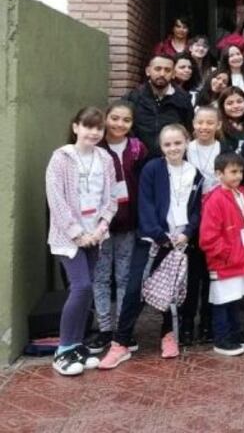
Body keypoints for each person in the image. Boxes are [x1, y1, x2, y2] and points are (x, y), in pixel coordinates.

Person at [98, 124, 204, 369]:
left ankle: (168, 335)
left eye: (178, 143)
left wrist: (187, 233)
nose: (173, 148)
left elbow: (197, 210)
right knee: (136, 289)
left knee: (172, 291)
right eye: (167, 144)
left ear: (186, 142)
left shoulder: (194, 173)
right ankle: (120, 343)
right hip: (153, 240)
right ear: (161, 146)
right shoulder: (152, 169)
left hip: (180, 243)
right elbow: (145, 204)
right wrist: (160, 234)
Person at [45, 107, 117, 376]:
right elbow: (57, 201)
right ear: (76, 127)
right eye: (88, 126)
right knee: (81, 286)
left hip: (95, 235)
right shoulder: (61, 158)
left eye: (99, 128)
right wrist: (78, 233)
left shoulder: (105, 159)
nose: (94, 132)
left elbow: (111, 199)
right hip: (69, 237)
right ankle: (62, 350)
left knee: (88, 289)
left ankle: (77, 344)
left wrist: (100, 229)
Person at [85, 102, 150, 354]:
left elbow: (144, 185)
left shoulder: (137, 148)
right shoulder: (96, 147)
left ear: (132, 124)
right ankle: (104, 329)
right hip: (100, 225)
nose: (119, 124)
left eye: (126, 120)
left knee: (124, 277)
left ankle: (124, 329)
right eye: (114, 118)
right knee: (101, 276)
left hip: (129, 223)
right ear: (106, 119)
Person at [199, 152, 244, 357]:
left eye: (240, 171)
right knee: (222, 300)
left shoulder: (242, 194)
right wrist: (226, 254)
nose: (238, 176)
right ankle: (222, 338)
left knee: (235, 299)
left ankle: (235, 332)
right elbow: (208, 237)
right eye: (233, 171)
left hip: (240, 257)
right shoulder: (214, 199)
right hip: (225, 261)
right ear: (219, 174)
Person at [181, 107, 223, 344]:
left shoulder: (223, 150)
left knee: (211, 275)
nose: (205, 127)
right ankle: (187, 324)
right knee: (190, 276)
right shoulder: (184, 150)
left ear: (218, 125)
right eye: (200, 122)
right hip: (189, 218)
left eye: (210, 123)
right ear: (193, 124)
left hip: (216, 219)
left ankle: (207, 323)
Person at [124, 54, 194, 156]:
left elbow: (189, 131)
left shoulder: (183, 100)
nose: (162, 74)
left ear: (173, 73)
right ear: (148, 71)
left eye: (167, 70)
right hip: (139, 161)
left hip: (172, 160)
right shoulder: (133, 98)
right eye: (157, 69)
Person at [217, 86, 244, 153]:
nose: (236, 106)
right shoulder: (217, 128)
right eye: (230, 103)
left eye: (239, 101)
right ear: (222, 107)